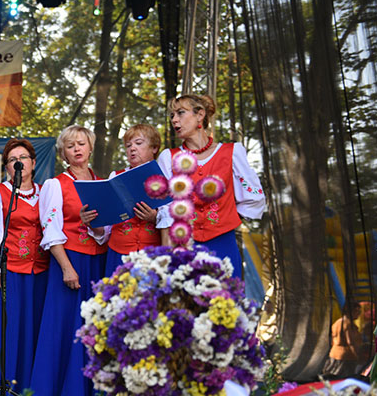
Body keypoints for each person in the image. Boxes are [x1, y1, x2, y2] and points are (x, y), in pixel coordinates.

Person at [30, 125, 108, 396]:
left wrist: (95, 226)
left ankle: (90, 393)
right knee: (65, 328)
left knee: (93, 327)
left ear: (90, 148)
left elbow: (104, 231)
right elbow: (50, 229)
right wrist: (66, 267)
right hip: (70, 261)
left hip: (98, 262)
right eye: (71, 145)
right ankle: (60, 393)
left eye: (82, 143)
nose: (77, 148)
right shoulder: (56, 184)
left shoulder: (102, 183)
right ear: (63, 152)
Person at [158, 93, 266, 276]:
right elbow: (165, 208)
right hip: (183, 246)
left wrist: (225, 215)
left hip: (223, 244)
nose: (174, 120)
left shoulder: (232, 153)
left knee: (225, 301)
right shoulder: (168, 157)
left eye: (180, 113)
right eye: (172, 116)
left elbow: (254, 196)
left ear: (200, 115)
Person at [0, 138, 49, 395]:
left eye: (23, 157)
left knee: (32, 331)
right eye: (12, 159)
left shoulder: (45, 192)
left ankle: (29, 390)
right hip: (8, 273)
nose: (18, 162)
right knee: (6, 331)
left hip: (40, 272)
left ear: (33, 162)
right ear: (7, 168)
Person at [102, 124, 166, 276]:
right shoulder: (115, 176)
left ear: (155, 148)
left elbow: (175, 217)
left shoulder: (165, 175)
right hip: (119, 253)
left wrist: (155, 218)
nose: (132, 149)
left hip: (153, 253)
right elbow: (108, 220)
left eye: (138, 143)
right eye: (128, 145)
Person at [323, 301, 363, 380]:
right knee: (344, 379)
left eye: (359, 311)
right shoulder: (348, 325)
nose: (358, 314)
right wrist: (357, 355)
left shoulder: (338, 322)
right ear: (350, 312)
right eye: (357, 311)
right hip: (346, 357)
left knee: (332, 377)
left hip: (334, 354)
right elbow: (351, 342)